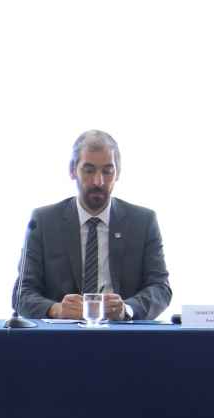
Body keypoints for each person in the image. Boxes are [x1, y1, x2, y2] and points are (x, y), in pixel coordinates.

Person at [13, 130, 171, 321]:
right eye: (89, 170)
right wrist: (56, 309)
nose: (98, 181)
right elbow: (21, 294)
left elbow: (161, 289)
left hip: (122, 334)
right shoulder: (44, 221)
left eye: (107, 171)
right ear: (72, 170)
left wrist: (127, 309)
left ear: (118, 173)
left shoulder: (143, 222)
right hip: (61, 335)